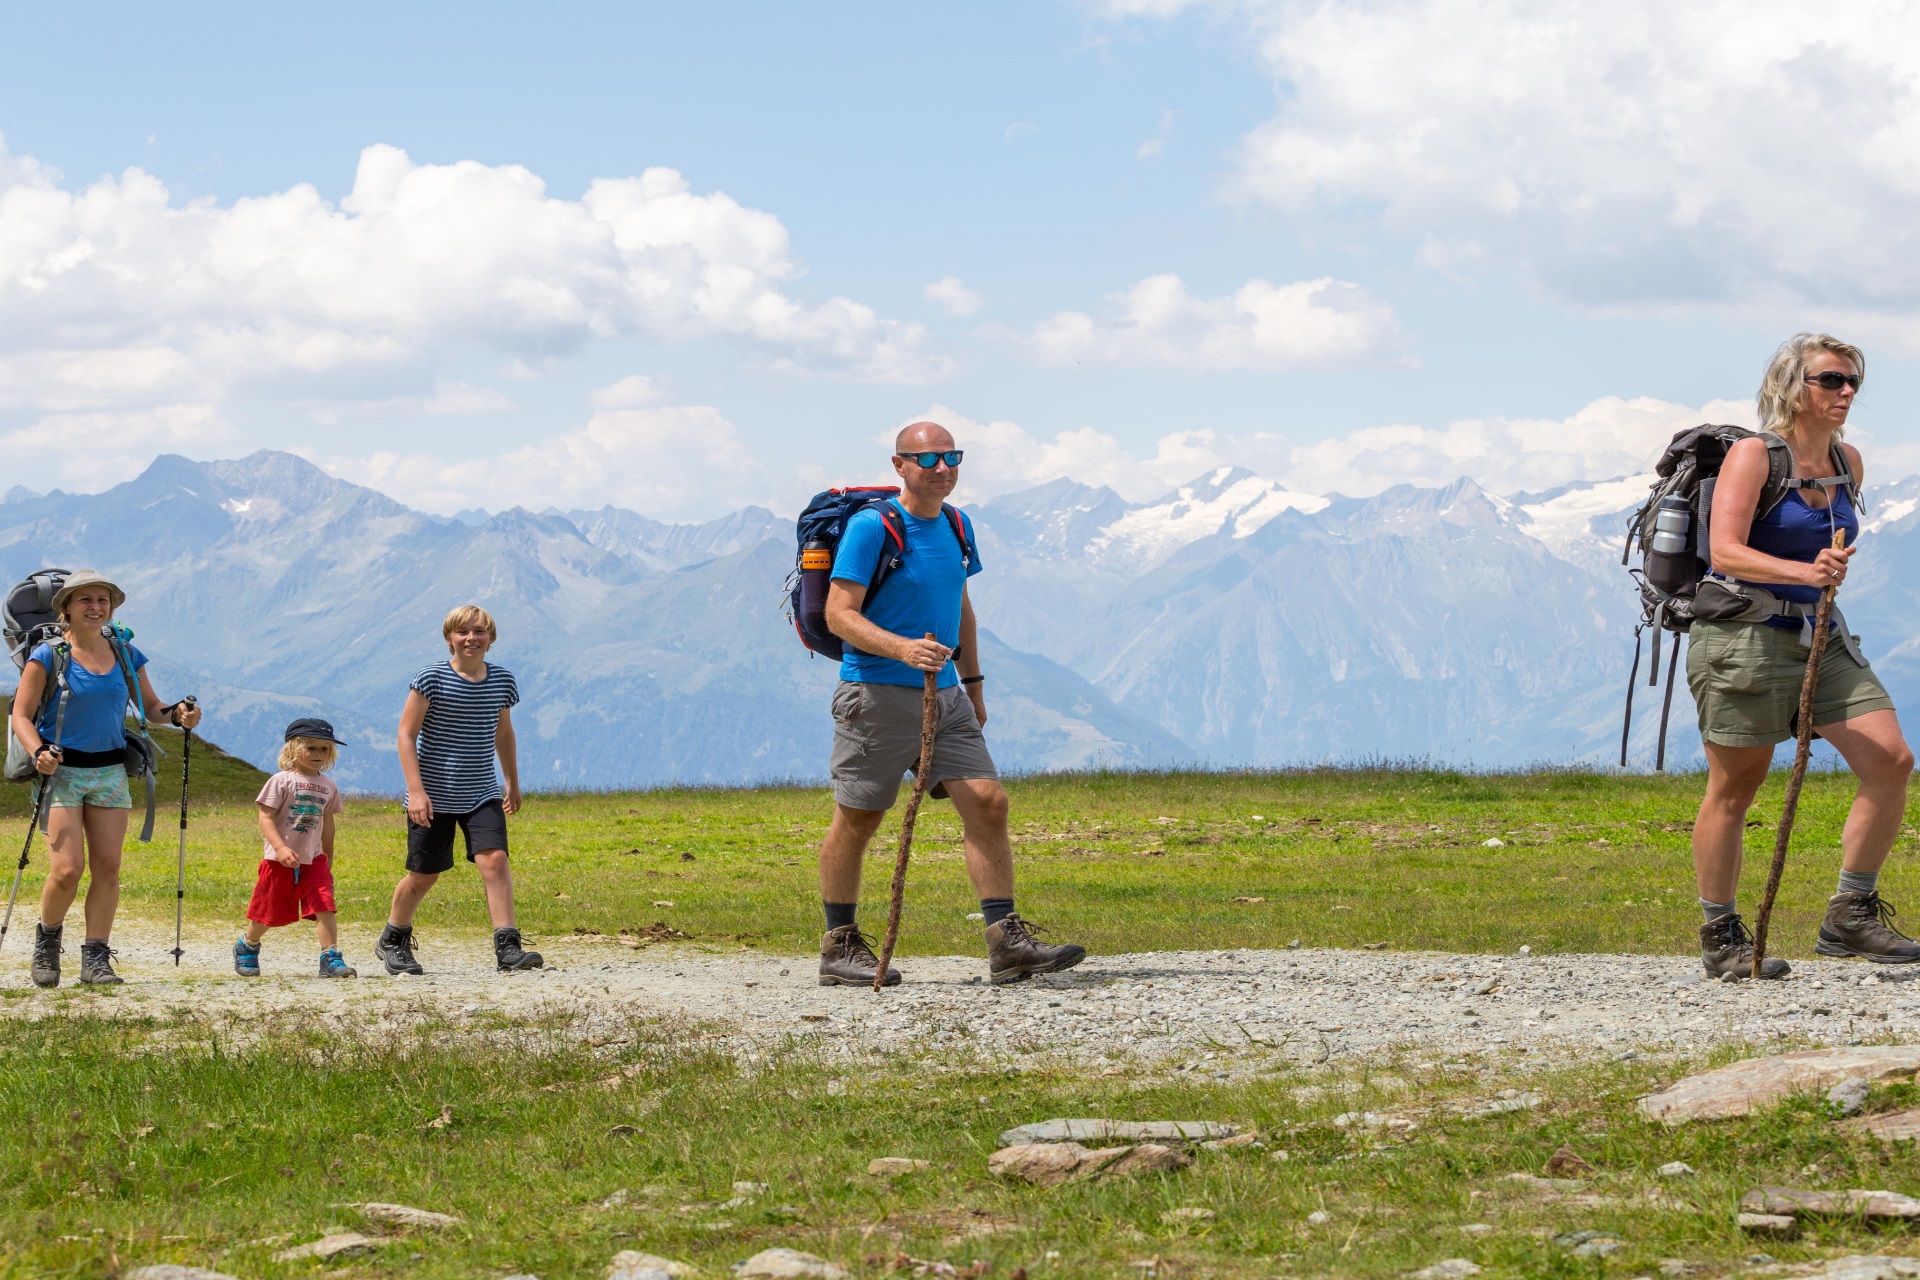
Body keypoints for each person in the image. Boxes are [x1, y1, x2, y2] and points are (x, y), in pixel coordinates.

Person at [817, 420, 1086, 986]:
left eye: (951, 457)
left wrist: (974, 684)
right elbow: (838, 614)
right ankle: (838, 944)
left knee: (988, 801)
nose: (942, 468)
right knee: (860, 818)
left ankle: (1006, 942)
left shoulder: (959, 526)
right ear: (899, 466)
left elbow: (960, 608)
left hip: (945, 697)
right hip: (874, 695)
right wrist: (902, 649)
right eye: (928, 458)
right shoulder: (872, 528)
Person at [1687, 333, 1917, 978]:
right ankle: (1721, 932)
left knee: (1891, 759)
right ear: (1794, 386)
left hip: (1820, 631)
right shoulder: (1753, 456)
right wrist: (1802, 567)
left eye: (1853, 384)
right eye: (1832, 381)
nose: (1847, 393)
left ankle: (1850, 914)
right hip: (1743, 635)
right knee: (1736, 785)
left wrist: (1823, 573)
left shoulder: (1848, 462)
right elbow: (1725, 551)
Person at [6, 570, 202, 986]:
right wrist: (38, 751)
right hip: (61, 772)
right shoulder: (48, 655)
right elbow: (20, 715)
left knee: (108, 868)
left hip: (111, 771)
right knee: (67, 869)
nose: (96, 607)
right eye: (85, 600)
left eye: (103, 600)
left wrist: (179, 715)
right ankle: (47, 942)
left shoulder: (126, 653)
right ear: (67, 608)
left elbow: (152, 708)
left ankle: (96, 957)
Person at [373, 604, 542, 975]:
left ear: (491, 639)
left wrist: (511, 781)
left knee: (494, 861)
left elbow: (504, 733)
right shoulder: (431, 678)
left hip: (481, 791)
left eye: (479, 631)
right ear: (450, 637)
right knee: (425, 874)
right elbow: (405, 734)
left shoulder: (502, 682)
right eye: (463, 631)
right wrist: (415, 791)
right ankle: (393, 938)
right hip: (432, 795)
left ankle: (508, 947)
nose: (471, 638)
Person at [235, 719, 355, 979]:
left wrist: (327, 857)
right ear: (292, 750)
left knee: (325, 905)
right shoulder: (280, 781)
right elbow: (265, 817)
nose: (318, 754)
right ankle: (248, 945)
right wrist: (280, 848)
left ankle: (330, 957)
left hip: (315, 860)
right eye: (311, 748)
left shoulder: (329, 786)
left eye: (324, 749)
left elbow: (328, 824)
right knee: (269, 910)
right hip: (278, 859)